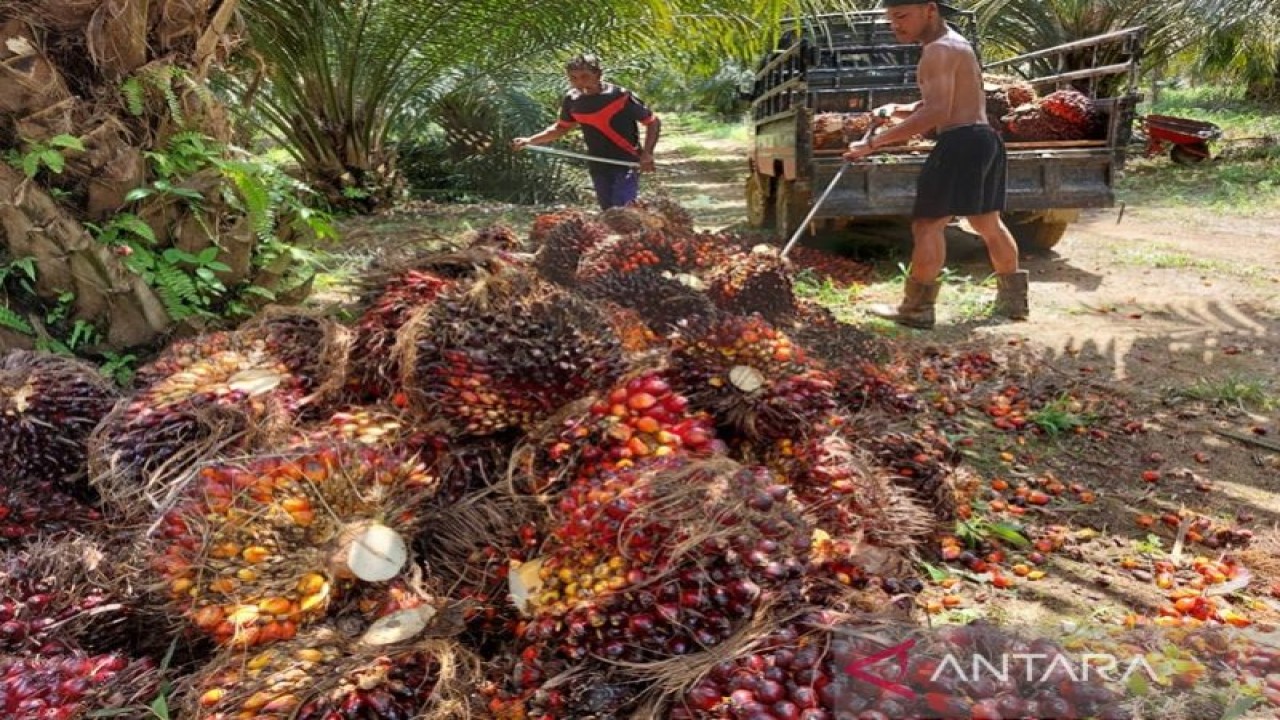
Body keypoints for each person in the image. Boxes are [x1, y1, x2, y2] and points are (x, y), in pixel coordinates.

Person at [842, 0, 1027, 329]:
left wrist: (871, 144)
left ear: (929, 9)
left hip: (959, 142)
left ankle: (916, 310)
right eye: (890, 19)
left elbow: (936, 113)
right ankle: (1014, 303)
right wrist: (900, 107)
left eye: (901, 16)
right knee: (988, 224)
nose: (895, 25)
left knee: (927, 226)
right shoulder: (957, 43)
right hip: (984, 139)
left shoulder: (936, 51)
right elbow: (950, 99)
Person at [513, 54, 661, 210]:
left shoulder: (620, 96)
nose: (580, 83)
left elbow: (652, 122)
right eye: (573, 78)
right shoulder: (572, 99)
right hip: (597, 163)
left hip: (626, 161)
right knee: (608, 210)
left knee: (622, 208)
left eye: (585, 77)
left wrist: (647, 154)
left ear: (598, 74)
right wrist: (529, 140)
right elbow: (561, 128)